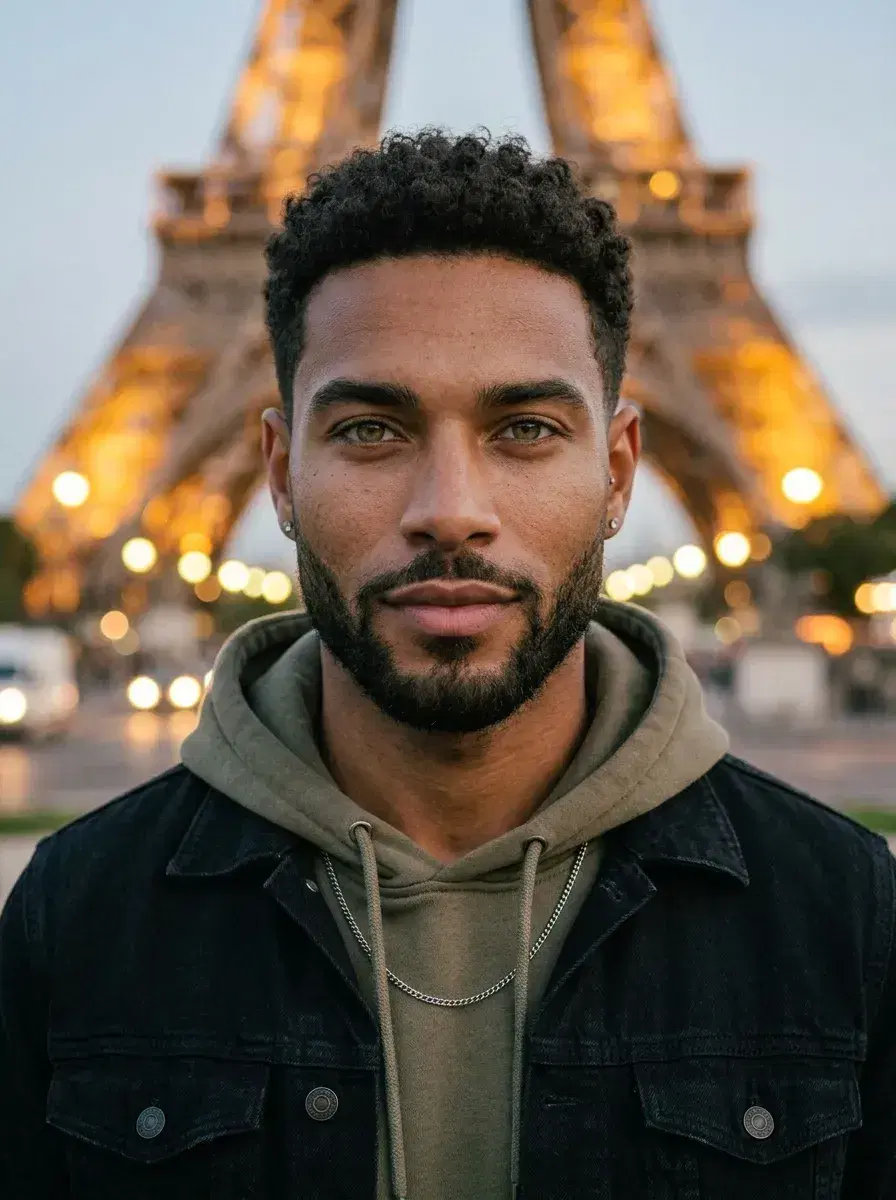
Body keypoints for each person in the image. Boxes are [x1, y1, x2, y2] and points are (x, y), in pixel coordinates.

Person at [1, 130, 893, 1200]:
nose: (449, 512)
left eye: (522, 427)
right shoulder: (72, 916)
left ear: (615, 472)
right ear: (281, 472)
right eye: (372, 429)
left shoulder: (847, 916)